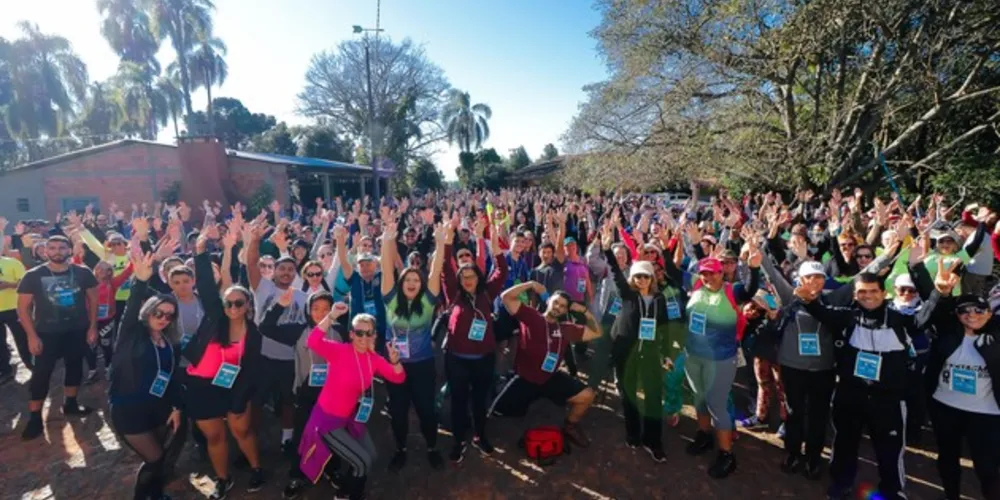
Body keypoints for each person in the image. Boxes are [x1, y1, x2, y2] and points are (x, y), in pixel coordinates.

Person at [796, 272, 936, 500]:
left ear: (884, 293)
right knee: (844, 444)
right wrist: (808, 299)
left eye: (873, 291)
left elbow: (924, 319)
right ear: (854, 294)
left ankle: (892, 490)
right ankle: (841, 484)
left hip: (888, 398)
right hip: (851, 394)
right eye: (862, 291)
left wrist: (939, 292)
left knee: (889, 450)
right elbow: (821, 312)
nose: (868, 296)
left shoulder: (899, 319)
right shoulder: (849, 317)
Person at [182, 228, 264, 499]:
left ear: (247, 306)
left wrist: (241, 397)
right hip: (200, 384)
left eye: (238, 303)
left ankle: (256, 468)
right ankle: (222, 478)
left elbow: (252, 370)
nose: (232, 308)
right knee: (215, 437)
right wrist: (201, 251)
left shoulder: (253, 334)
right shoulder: (215, 319)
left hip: (234, 385)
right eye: (228, 303)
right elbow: (206, 286)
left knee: (241, 430)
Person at [298, 310, 405, 500]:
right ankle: (352, 496)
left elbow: (398, 377)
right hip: (327, 421)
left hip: (348, 419)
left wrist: (395, 360)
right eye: (359, 332)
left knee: (370, 456)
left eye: (368, 333)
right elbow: (313, 341)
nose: (363, 337)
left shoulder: (374, 360)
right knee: (362, 462)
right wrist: (330, 316)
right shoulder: (340, 351)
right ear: (351, 334)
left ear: (374, 335)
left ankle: (344, 491)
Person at [108, 251, 185, 500]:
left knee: (159, 457)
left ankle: (156, 495)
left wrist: (176, 407)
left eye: (169, 315)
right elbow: (131, 308)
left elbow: (172, 378)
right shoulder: (131, 335)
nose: (163, 318)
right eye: (158, 313)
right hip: (128, 409)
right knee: (154, 458)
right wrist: (140, 281)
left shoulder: (169, 342)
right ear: (148, 312)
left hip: (158, 407)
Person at [922, 260, 1000, 500]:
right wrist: (941, 291)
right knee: (947, 460)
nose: (971, 314)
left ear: (989, 313)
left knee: (988, 468)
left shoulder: (996, 338)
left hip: (986, 413)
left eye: (978, 310)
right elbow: (933, 312)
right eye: (964, 310)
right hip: (946, 407)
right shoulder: (948, 334)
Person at [492, 283, 602, 447]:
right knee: (499, 411)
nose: (558, 307)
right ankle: (506, 386)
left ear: (565, 311)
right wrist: (530, 284)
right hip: (524, 379)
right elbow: (506, 297)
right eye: (556, 302)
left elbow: (597, 332)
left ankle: (570, 425)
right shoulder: (531, 316)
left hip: (550, 378)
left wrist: (585, 311)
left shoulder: (566, 329)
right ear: (549, 300)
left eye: (563, 306)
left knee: (587, 395)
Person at [260, 287, 342, 500]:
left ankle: (332, 470)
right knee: (303, 435)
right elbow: (266, 327)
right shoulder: (298, 330)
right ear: (308, 310)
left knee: (333, 433)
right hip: (306, 393)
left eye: (326, 308)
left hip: (334, 394)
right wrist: (280, 306)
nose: (321, 313)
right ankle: (297, 475)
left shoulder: (341, 331)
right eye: (316, 308)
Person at [380, 221, 448, 471]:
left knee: (426, 410)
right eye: (407, 279)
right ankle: (401, 449)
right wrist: (387, 240)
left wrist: (440, 242)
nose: (411, 282)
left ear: (421, 284)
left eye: (416, 280)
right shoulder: (391, 300)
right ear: (401, 282)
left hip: (422, 365)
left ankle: (432, 447)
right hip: (395, 367)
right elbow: (387, 270)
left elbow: (435, 269)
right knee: (398, 413)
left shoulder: (429, 302)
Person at [17, 235, 99, 440]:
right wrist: (31, 336)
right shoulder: (34, 275)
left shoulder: (83, 273)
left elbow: (94, 302)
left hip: (76, 330)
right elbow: (23, 309)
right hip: (46, 333)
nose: (57, 252)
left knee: (74, 367)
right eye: (52, 248)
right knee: (41, 374)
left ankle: (70, 404)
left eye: (62, 248)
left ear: (69, 250)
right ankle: (35, 417)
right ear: (45, 252)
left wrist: (92, 327)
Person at [603, 227, 672, 463]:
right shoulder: (628, 295)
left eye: (646, 276)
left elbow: (664, 329)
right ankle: (633, 433)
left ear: (652, 279)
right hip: (626, 354)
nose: (641, 280)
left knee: (653, 397)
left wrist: (667, 354)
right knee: (628, 395)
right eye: (637, 276)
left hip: (651, 354)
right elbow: (614, 272)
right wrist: (606, 249)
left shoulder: (660, 299)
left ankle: (654, 441)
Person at [441, 222, 507, 463]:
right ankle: (458, 440)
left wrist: (494, 240)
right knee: (458, 401)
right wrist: (448, 239)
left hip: (483, 359)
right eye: (464, 277)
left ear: (478, 277)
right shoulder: (454, 293)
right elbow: (445, 270)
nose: (468, 280)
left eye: (471, 276)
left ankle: (480, 436)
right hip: (457, 359)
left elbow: (502, 269)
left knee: (480, 400)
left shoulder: (487, 293)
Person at [247, 224, 308, 453]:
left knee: (287, 401)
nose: (286, 273)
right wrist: (254, 241)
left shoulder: (302, 297)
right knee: (257, 401)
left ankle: (287, 439)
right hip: (262, 356)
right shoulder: (262, 288)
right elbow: (251, 264)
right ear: (274, 271)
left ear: (295, 274)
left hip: (289, 359)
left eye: (290, 270)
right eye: (282, 269)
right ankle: (251, 440)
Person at [0, 247, 28, 379]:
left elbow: (26, 283)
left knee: (22, 339)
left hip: (14, 308)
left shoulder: (12, 263)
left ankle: (31, 365)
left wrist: (8, 285)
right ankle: (4, 370)